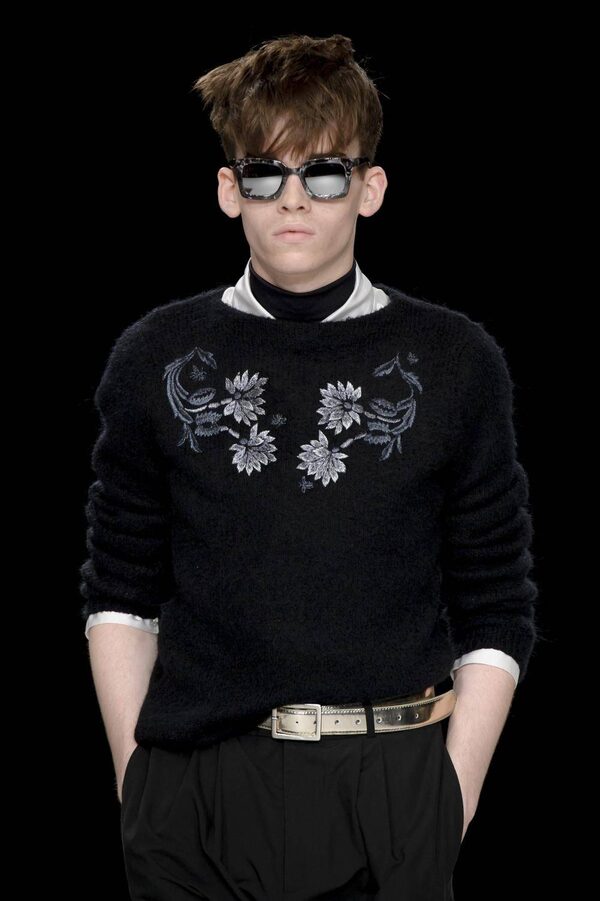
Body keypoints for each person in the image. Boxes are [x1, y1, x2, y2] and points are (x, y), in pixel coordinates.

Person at [79, 33, 539, 901]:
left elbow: (496, 597)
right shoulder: (156, 356)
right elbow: (120, 590)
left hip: (393, 781)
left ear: (371, 188)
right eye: (265, 173)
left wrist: (450, 796)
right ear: (229, 190)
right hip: (195, 789)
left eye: (325, 172)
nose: (293, 198)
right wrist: (138, 782)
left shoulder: (453, 361)